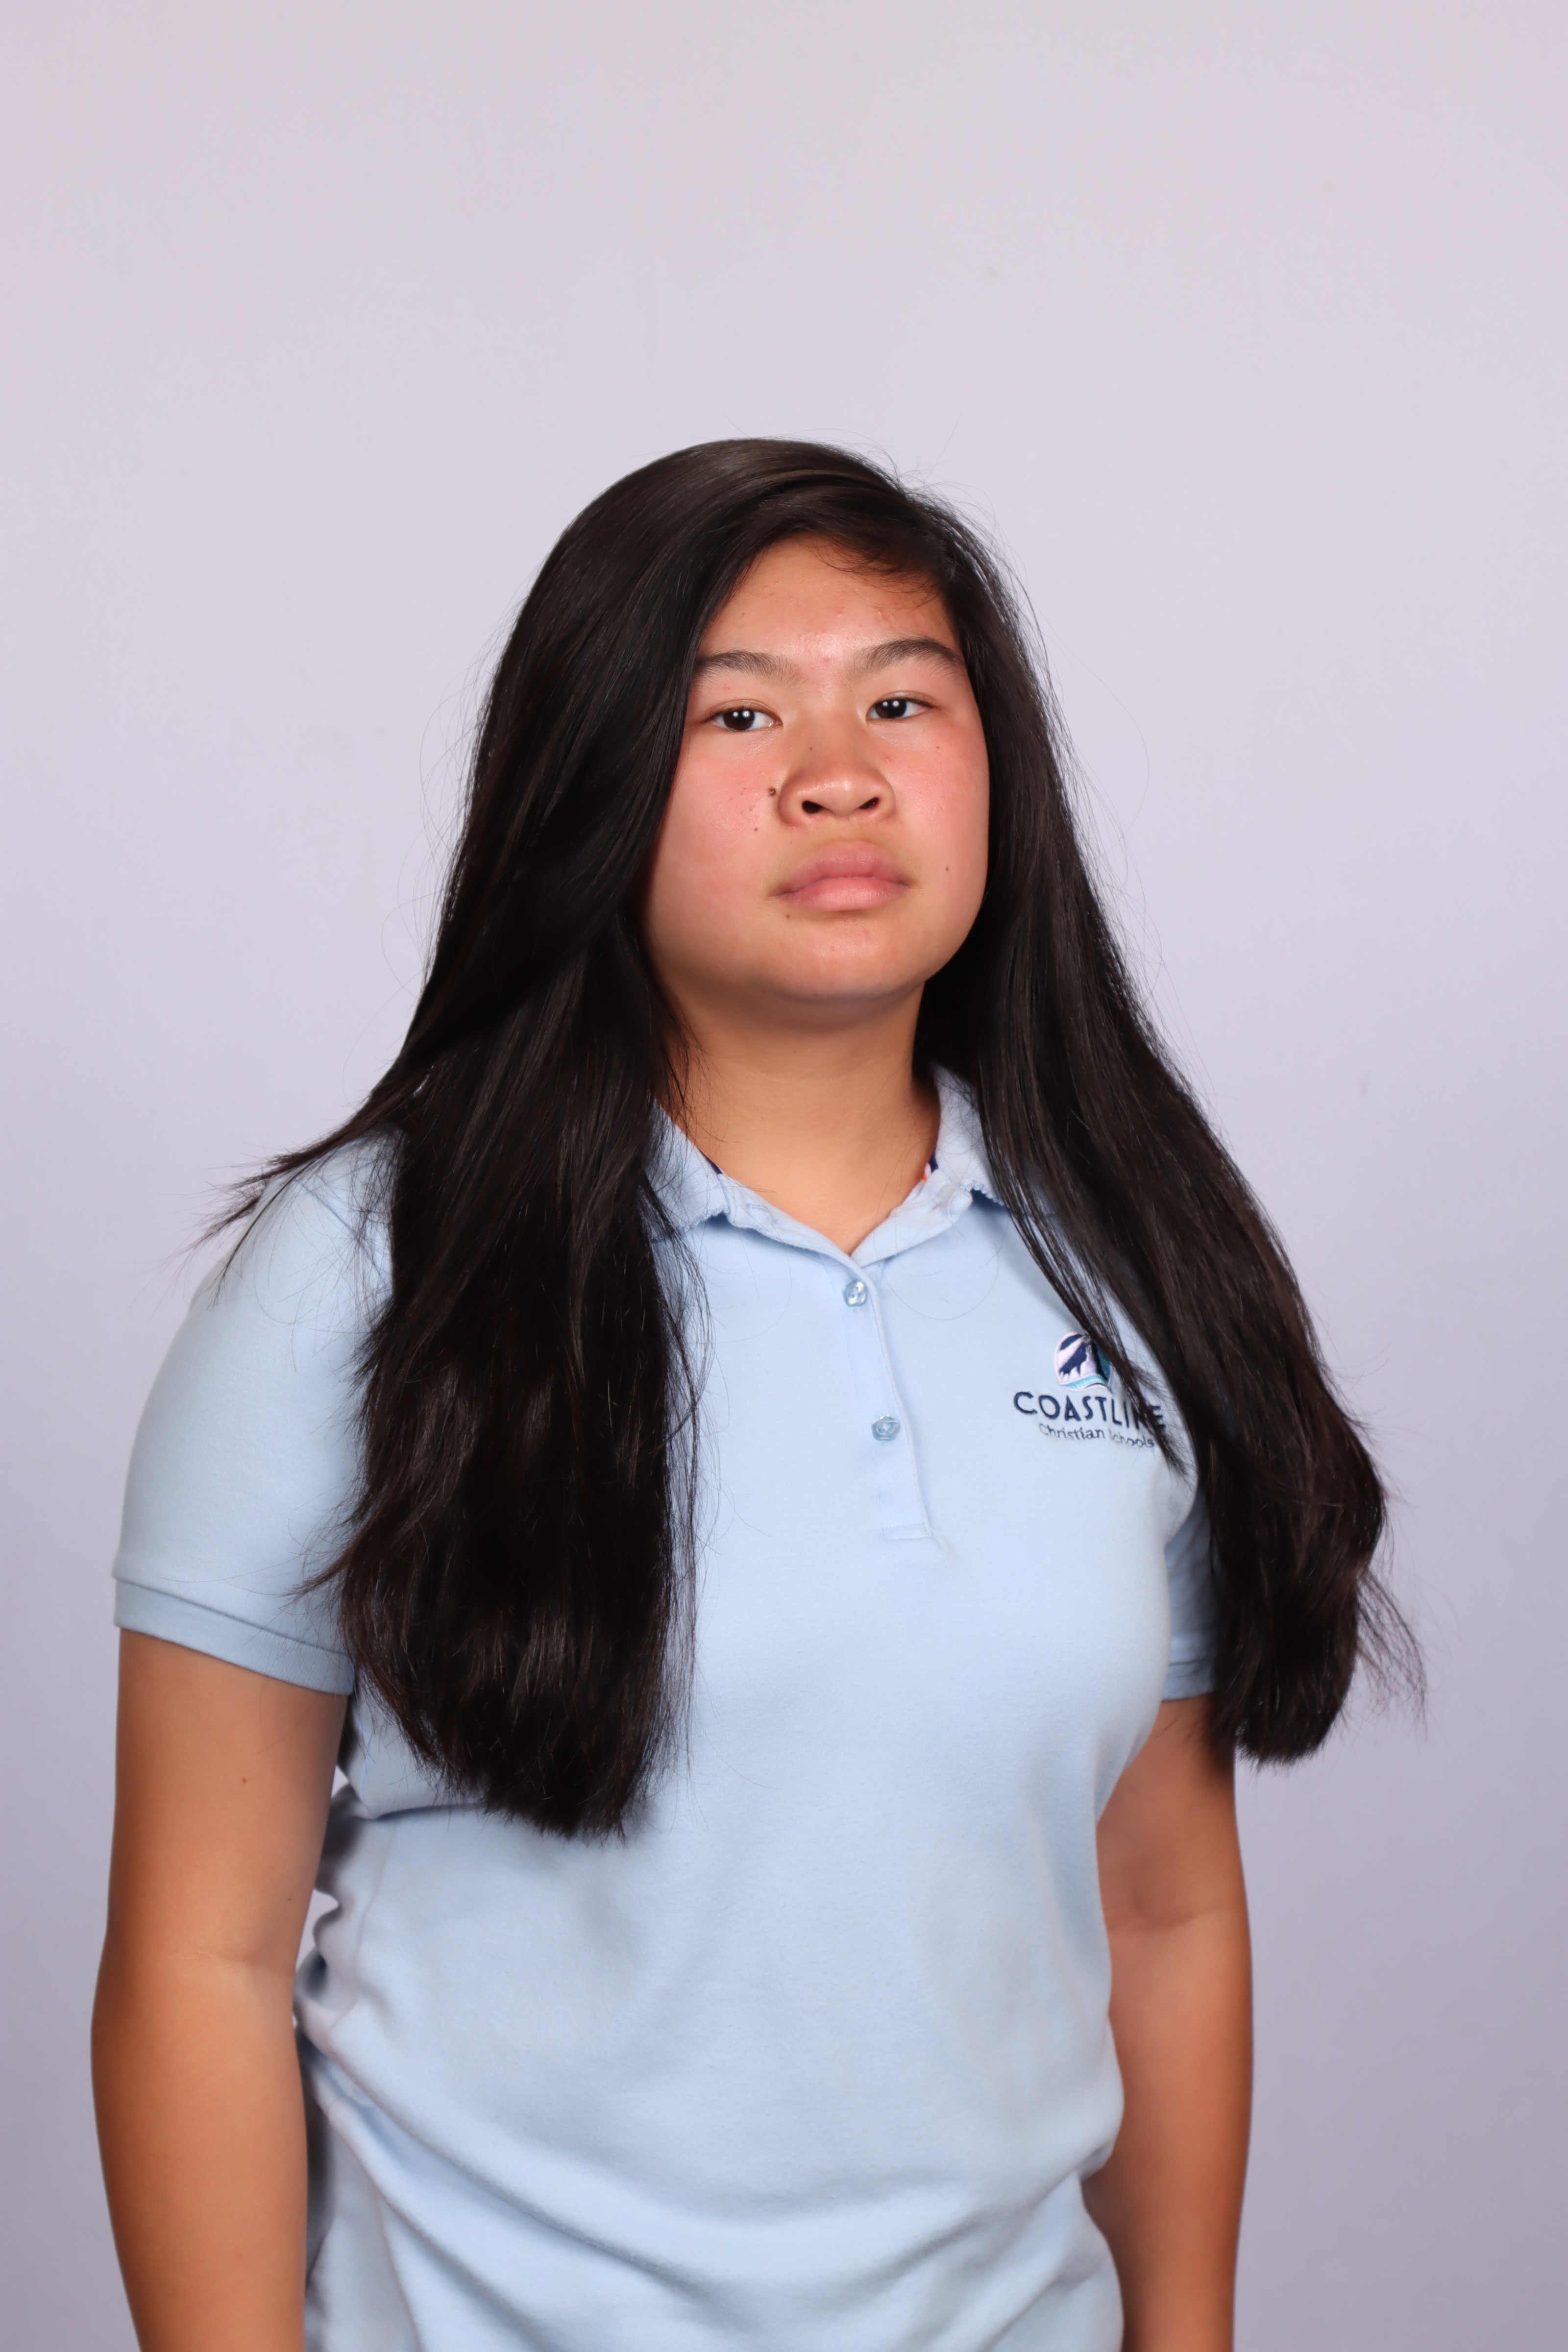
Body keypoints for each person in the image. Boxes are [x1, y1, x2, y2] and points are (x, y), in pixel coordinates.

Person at [92, 440, 1401, 2352]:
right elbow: (196, 1959)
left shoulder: (1134, 1261)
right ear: (590, 784)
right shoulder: (367, 1262)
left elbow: (1162, 1910)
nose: (836, 772)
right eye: (736, 712)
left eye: (901, 701)